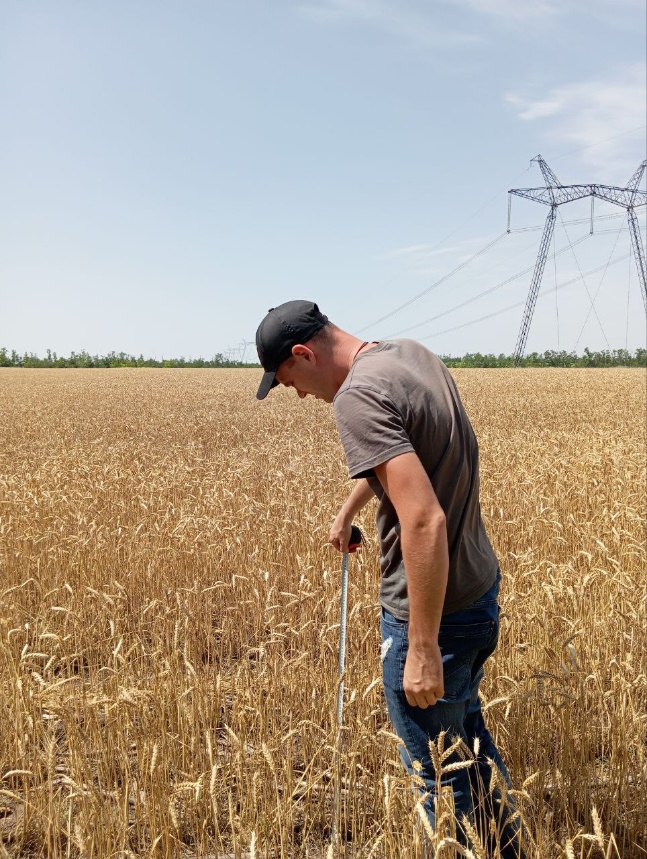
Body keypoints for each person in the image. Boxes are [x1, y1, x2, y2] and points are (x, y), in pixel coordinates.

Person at [255, 300, 527, 858]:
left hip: (434, 615)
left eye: (291, 382)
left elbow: (424, 519)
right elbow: (411, 455)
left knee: (439, 774)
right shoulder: (409, 355)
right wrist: (350, 506)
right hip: (476, 591)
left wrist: (422, 647)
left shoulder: (356, 397)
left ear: (304, 353)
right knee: (467, 743)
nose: (302, 395)